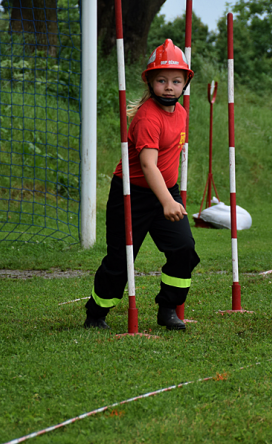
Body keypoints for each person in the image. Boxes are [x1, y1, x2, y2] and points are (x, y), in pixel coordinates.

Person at [84, 39, 200, 331]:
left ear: (186, 82)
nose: (169, 86)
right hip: (132, 195)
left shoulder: (183, 113)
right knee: (120, 261)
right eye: (161, 80)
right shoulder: (148, 117)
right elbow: (148, 165)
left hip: (166, 194)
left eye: (176, 80)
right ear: (150, 81)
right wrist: (168, 202)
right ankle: (96, 313)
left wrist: (170, 197)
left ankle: (169, 307)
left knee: (184, 248)